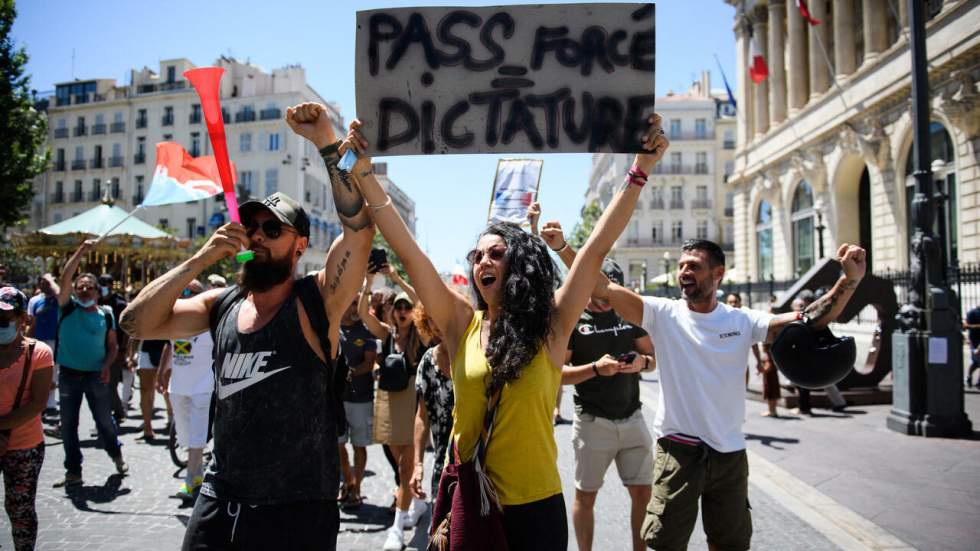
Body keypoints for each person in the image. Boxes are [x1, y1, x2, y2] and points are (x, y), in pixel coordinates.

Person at [344, 112, 669, 551]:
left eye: (496, 254)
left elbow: (594, 250)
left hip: (538, 508)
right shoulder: (461, 323)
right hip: (473, 502)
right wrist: (363, 171)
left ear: (520, 265)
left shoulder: (552, 326)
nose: (483, 263)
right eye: (477, 256)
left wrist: (640, 169)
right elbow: (408, 249)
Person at [120, 101, 373, 551]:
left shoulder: (317, 301)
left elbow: (358, 229)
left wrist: (326, 144)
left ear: (300, 245)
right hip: (220, 500)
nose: (256, 235)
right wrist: (201, 258)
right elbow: (136, 322)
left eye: (271, 230)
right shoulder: (220, 304)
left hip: (296, 511)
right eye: (252, 226)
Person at [572, 236, 866, 551]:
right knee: (665, 544)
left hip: (729, 455)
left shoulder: (742, 320)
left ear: (718, 274)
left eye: (694, 266)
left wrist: (849, 281)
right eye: (682, 266)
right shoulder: (662, 313)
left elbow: (808, 321)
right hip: (678, 452)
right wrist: (565, 248)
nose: (684, 271)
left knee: (730, 545)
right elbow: (601, 286)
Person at [545, 253, 657, 551]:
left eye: (611, 290)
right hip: (593, 423)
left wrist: (641, 362)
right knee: (586, 496)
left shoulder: (629, 315)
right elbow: (555, 375)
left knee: (644, 494)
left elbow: (653, 360)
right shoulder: (574, 320)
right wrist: (595, 368)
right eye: (601, 291)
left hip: (633, 419)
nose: (607, 299)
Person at [359, 268, 429, 544]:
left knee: (404, 466)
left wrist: (398, 280)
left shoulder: (420, 337)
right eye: (398, 306)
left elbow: (421, 303)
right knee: (397, 459)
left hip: (411, 400)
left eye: (406, 307)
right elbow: (365, 314)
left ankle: (397, 528)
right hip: (388, 399)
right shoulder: (387, 334)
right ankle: (416, 502)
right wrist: (368, 283)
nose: (402, 310)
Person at [53, 240, 127, 488]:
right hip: (69, 375)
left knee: (104, 421)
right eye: (80, 287)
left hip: (96, 375)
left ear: (97, 292)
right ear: (74, 291)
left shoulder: (105, 314)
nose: (84, 290)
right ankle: (73, 471)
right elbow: (64, 278)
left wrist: (107, 364)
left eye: (89, 287)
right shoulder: (66, 307)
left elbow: (113, 346)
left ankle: (116, 454)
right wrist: (81, 252)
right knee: (69, 425)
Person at [0, 287, 54, 551]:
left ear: (24, 319)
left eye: (5, 319)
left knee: (19, 508)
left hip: (24, 446)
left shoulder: (38, 353)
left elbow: (37, 403)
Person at [155, 279, 214, 501]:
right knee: (185, 435)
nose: (186, 294)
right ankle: (197, 474)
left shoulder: (212, 323)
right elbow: (169, 347)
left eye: (192, 291)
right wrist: (162, 372)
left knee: (198, 434)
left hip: (204, 386)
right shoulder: (174, 320)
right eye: (183, 290)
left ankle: (189, 482)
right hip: (178, 387)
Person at [409, 303, 455, 509]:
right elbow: (422, 416)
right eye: (430, 319)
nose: (437, 325)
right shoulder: (427, 362)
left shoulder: (474, 355)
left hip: (479, 466)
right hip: (443, 466)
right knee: (441, 536)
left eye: (440, 316)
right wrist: (417, 465)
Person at [337, 292, 378, 509]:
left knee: (359, 445)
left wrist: (349, 373)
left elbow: (370, 363)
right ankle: (349, 482)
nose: (355, 308)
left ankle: (358, 488)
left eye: (358, 304)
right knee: (339, 444)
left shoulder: (368, 329)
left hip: (361, 398)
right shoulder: (333, 326)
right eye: (352, 303)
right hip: (336, 399)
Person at [99, 274, 131, 423]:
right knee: (101, 385)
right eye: (101, 283)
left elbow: (126, 329)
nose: (103, 286)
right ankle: (113, 412)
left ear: (112, 285)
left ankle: (116, 413)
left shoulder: (119, 303)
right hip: (97, 349)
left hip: (115, 350)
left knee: (110, 385)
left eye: (106, 283)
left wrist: (123, 351)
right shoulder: (95, 301)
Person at [27, 274, 60, 415]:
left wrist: (52, 281)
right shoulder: (35, 301)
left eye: (48, 283)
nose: (45, 285)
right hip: (39, 341)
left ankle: (51, 404)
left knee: (52, 373)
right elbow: (31, 322)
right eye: (42, 282)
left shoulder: (59, 300)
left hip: (55, 341)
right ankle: (40, 403)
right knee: (38, 371)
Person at [134, 338, 171, 440]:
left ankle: (171, 418)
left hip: (169, 347)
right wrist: (131, 352)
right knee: (145, 392)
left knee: (168, 390)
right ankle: (147, 428)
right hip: (147, 349)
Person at [964, 304, 980, 387]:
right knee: (976, 362)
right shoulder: (972, 313)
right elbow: (966, 326)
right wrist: (977, 326)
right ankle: (969, 376)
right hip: (975, 341)